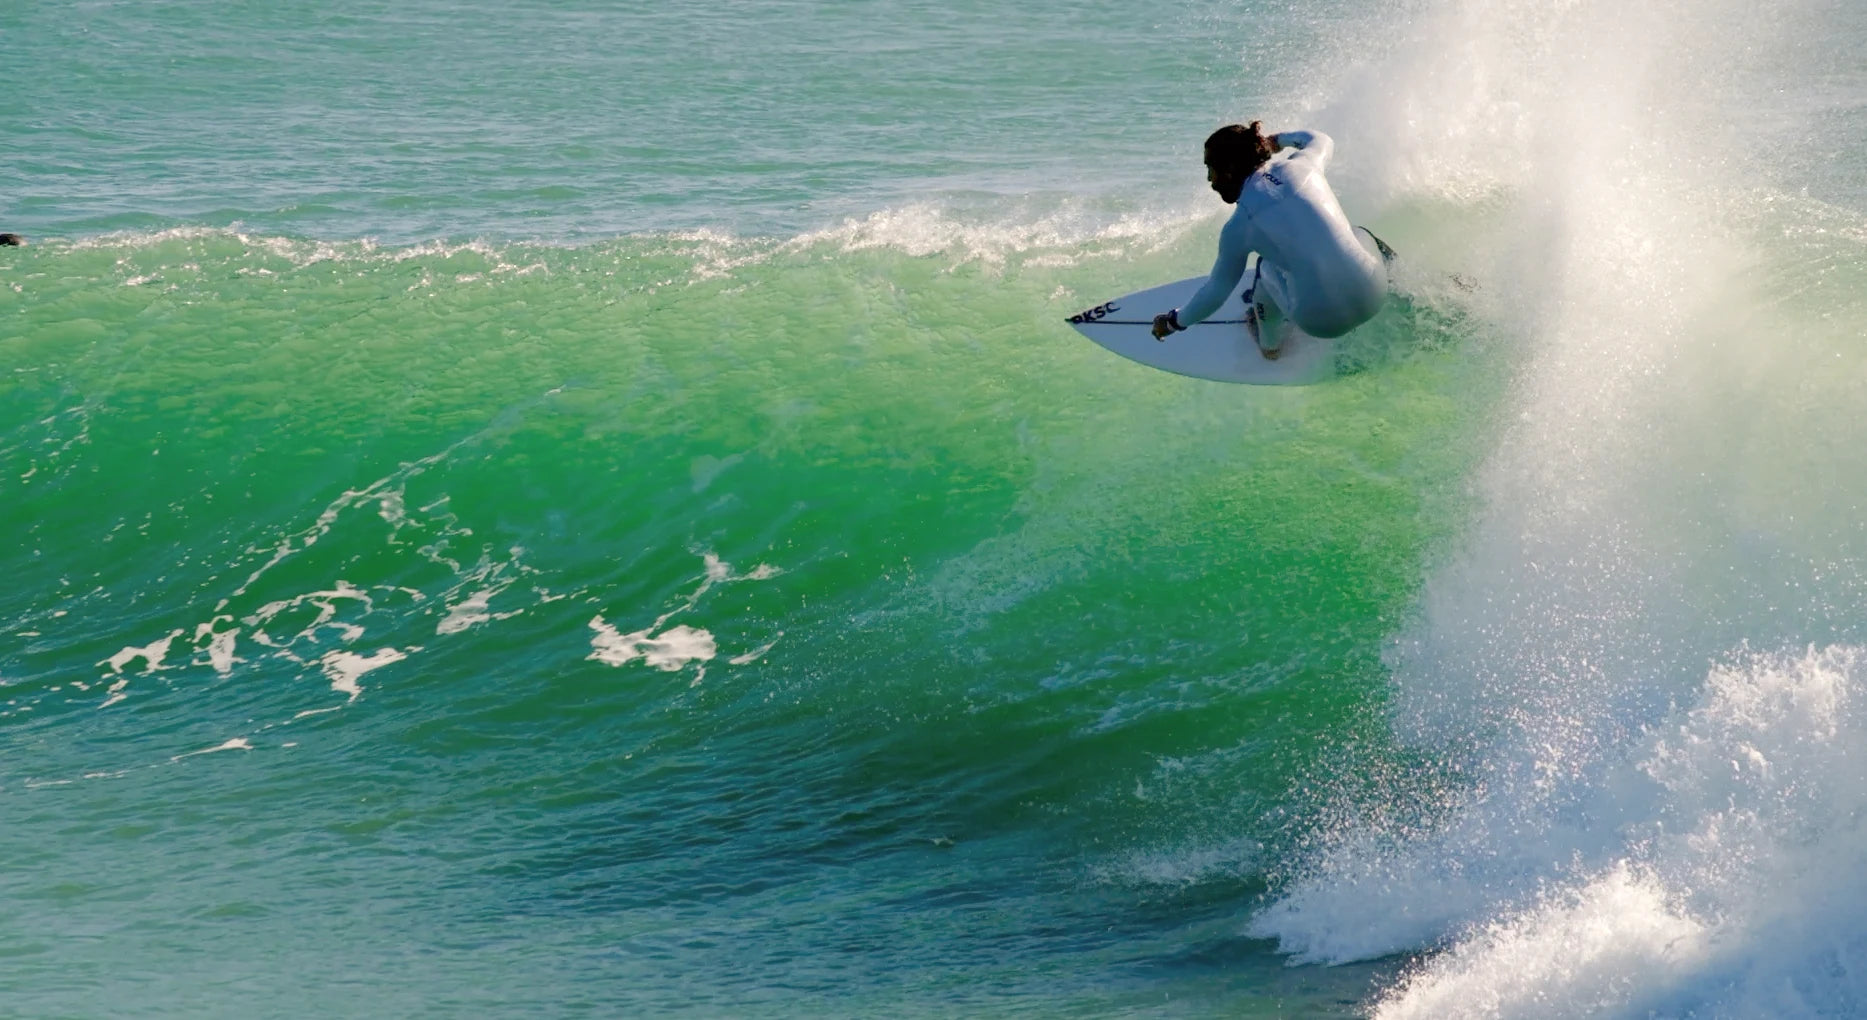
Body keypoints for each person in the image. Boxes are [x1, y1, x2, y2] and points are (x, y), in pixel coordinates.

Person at [1151, 122, 1384, 359]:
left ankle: (1270, 346)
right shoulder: (1304, 166)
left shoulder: (1239, 227)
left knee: (1264, 268)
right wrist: (1278, 141)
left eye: (1210, 168)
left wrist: (1173, 322)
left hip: (1322, 324)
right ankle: (1401, 279)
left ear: (1229, 170)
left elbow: (1216, 293)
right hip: (1376, 293)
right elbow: (1322, 139)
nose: (1210, 180)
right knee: (1358, 234)